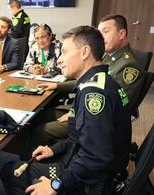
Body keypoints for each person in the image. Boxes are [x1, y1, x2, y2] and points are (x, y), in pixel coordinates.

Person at [0, 26, 132, 195]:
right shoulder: (100, 81)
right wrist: (54, 149)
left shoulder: (93, 95)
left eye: (64, 52)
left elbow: (95, 157)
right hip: (84, 163)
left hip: (92, 183)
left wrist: (56, 184)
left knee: (10, 171)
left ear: (85, 52)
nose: (60, 59)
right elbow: (81, 138)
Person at [24, 14, 145, 152]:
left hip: (95, 119)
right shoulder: (108, 56)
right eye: (99, 32)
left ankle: (31, 165)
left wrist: (73, 115)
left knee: (41, 130)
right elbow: (89, 79)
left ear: (122, 33)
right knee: (39, 114)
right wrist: (57, 85)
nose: (101, 36)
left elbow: (114, 110)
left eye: (105, 31)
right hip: (84, 108)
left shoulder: (128, 67)